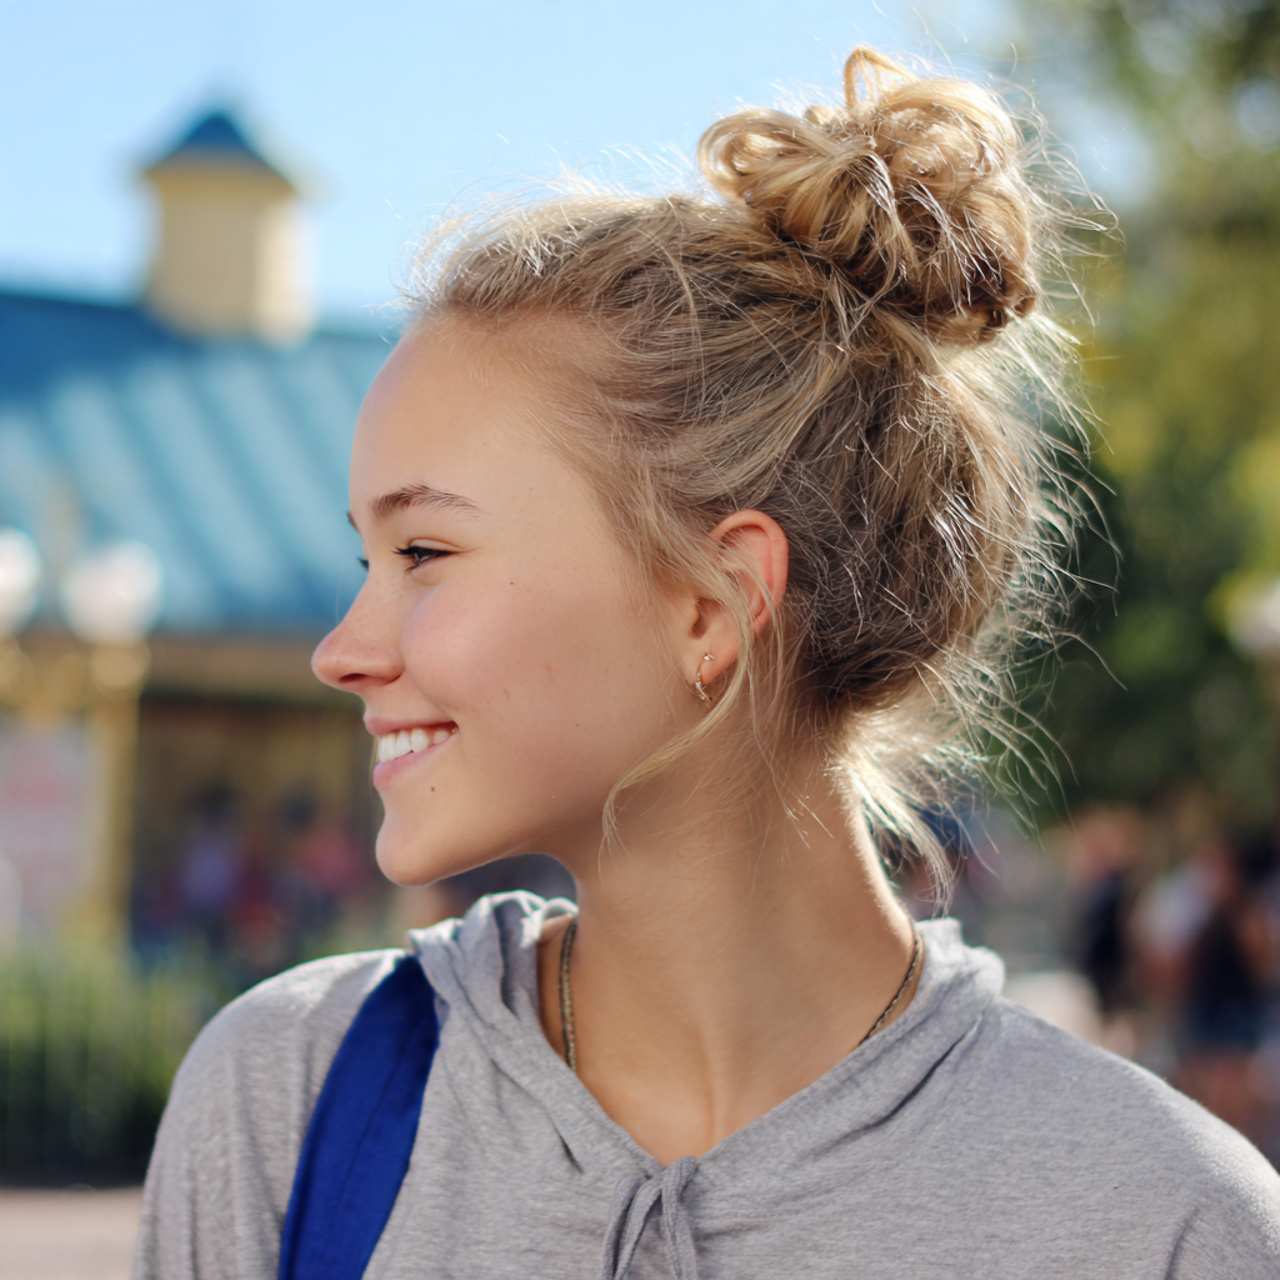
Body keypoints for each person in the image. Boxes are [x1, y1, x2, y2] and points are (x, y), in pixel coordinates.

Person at [133, 48, 1280, 1279]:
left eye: (423, 547)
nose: (342, 651)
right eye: (367, 559)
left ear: (713, 601)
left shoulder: (1164, 1223)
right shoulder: (292, 1103)